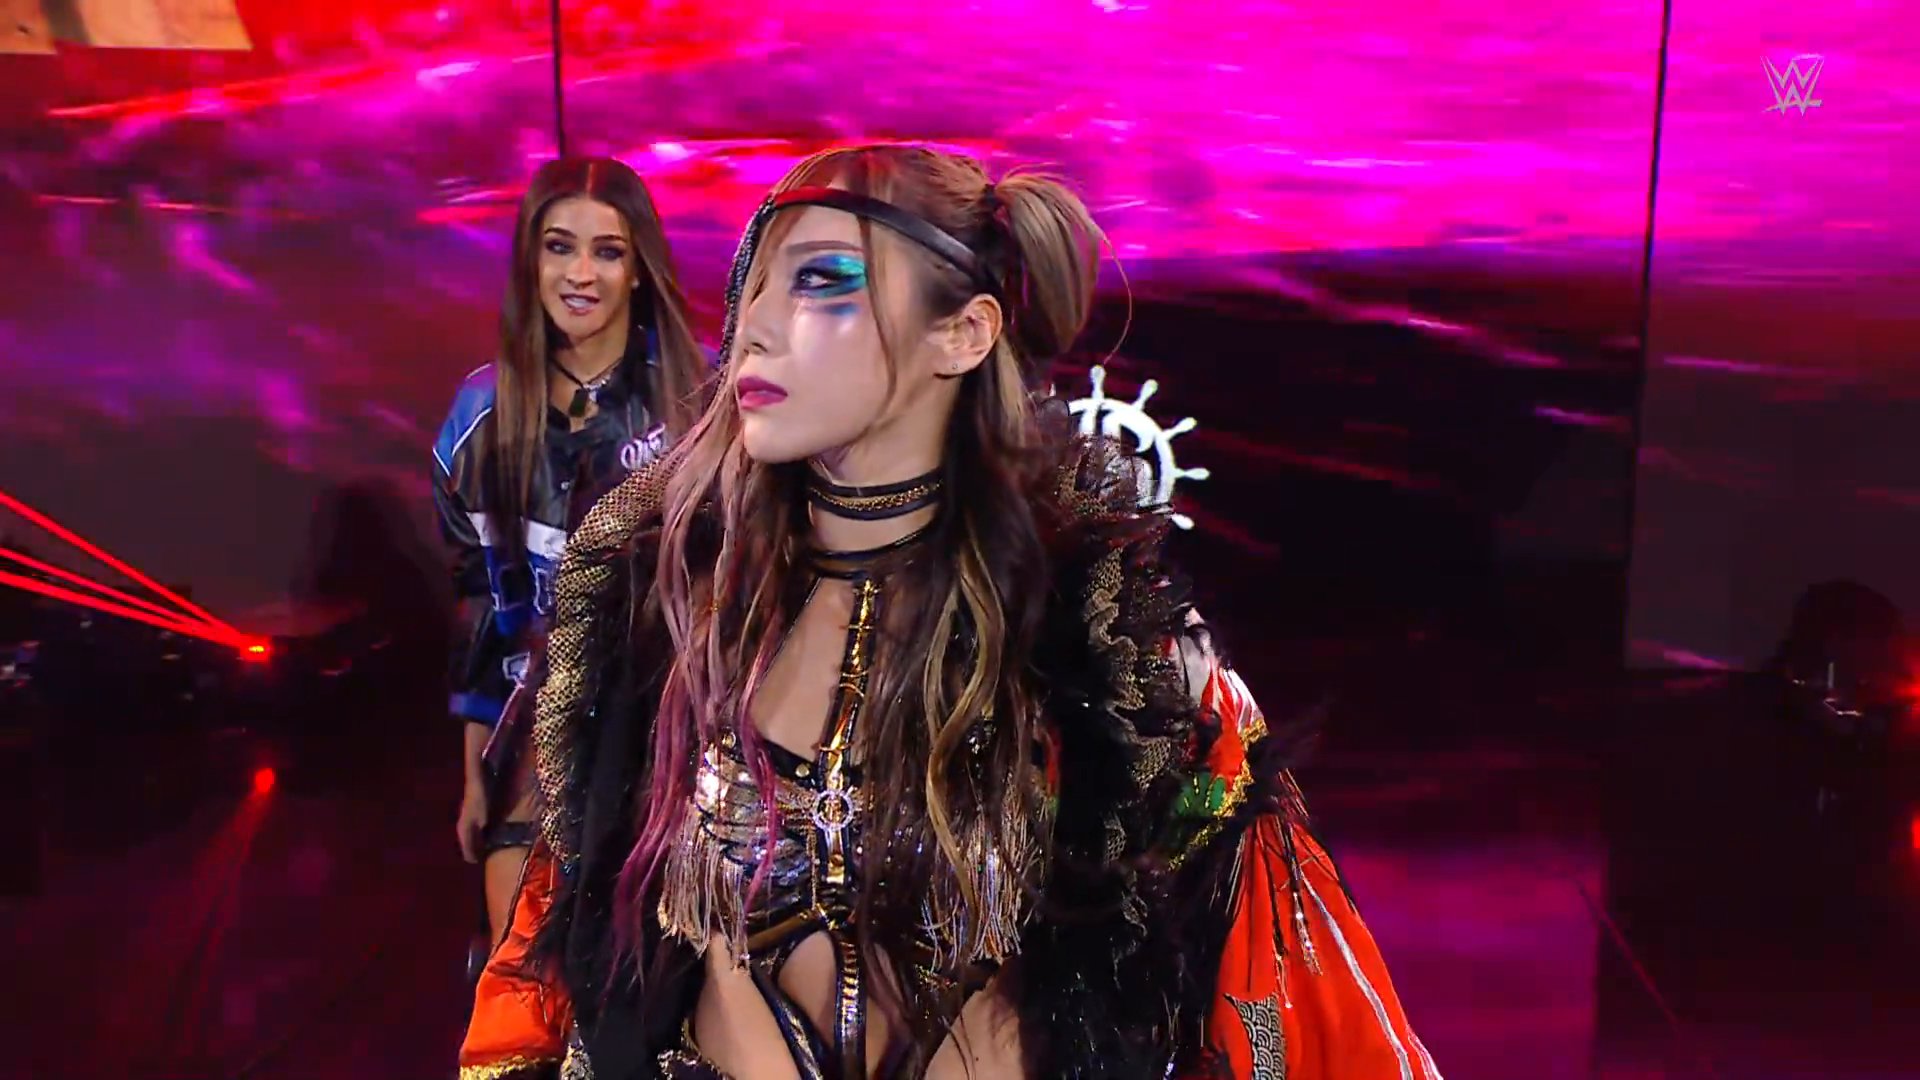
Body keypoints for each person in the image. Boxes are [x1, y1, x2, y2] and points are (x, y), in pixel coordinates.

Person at [459, 144, 1441, 1079]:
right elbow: (558, 957)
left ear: (963, 333)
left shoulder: (1113, 655)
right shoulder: (663, 612)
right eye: (755, 284)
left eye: (820, 282)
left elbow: (1280, 992)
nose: (753, 325)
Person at [434, 156, 709, 948]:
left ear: (638, 268)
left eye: (607, 251)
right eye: (559, 247)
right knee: (520, 978)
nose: (580, 273)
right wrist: (477, 773)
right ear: (531, 258)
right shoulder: (476, 421)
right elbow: (482, 609)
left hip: (673, 737)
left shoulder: (699, 403)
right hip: (535, 739)